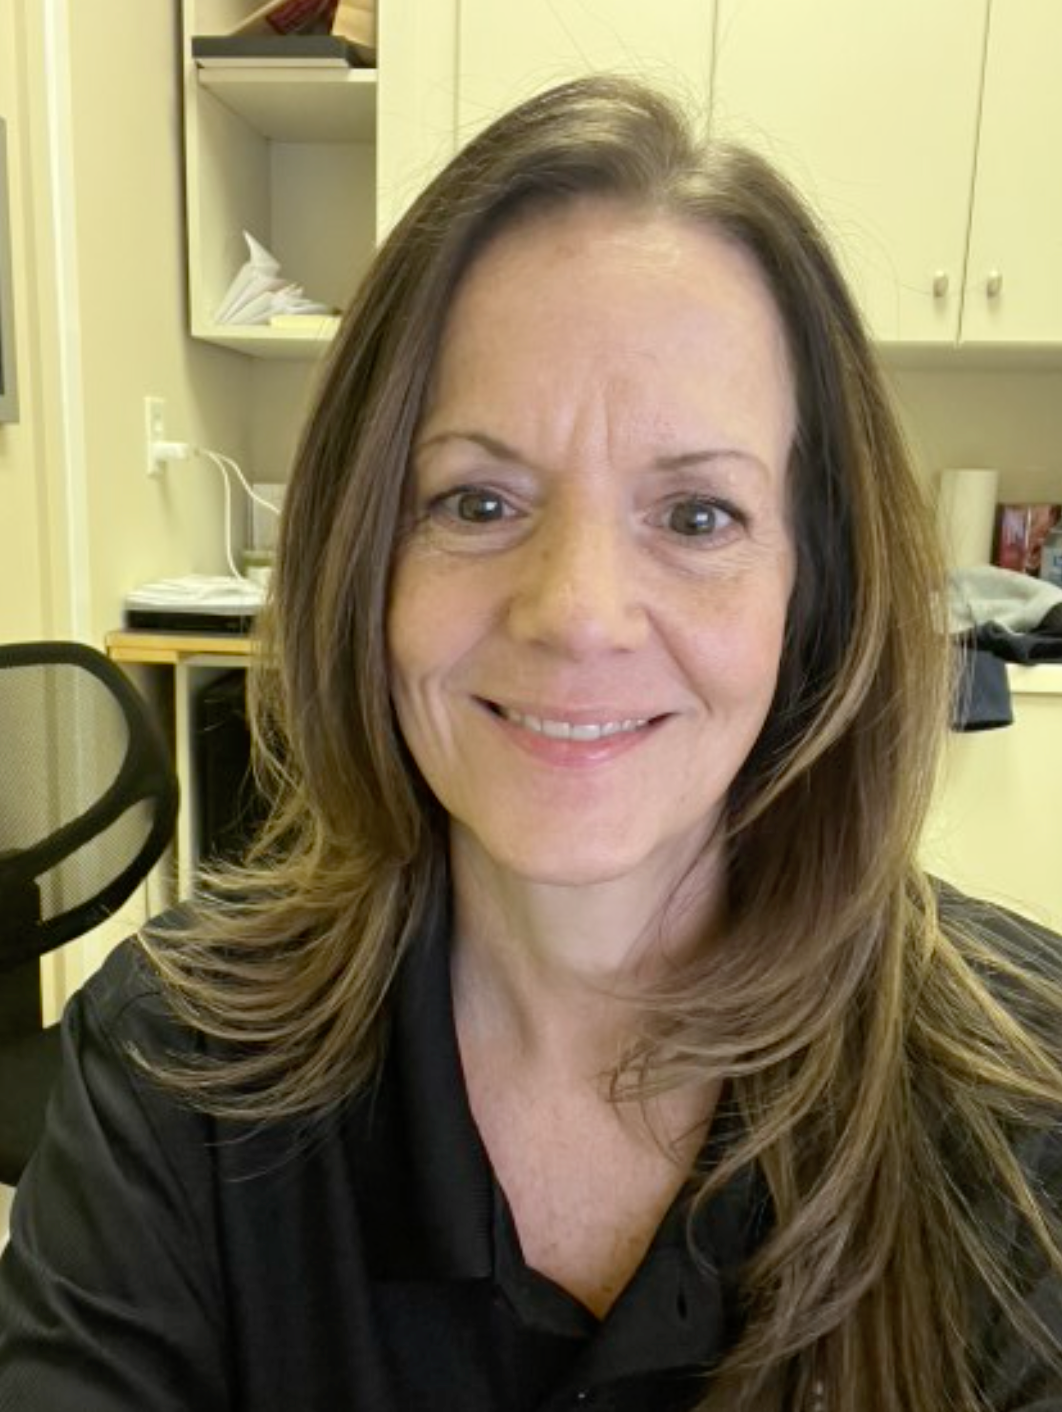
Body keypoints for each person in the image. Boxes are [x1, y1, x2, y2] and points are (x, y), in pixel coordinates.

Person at [2, 75, 1062, 1412]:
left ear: (815, 593)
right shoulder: (173, 1069)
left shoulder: (1026, 1106)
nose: (575, 614)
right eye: (478, 498)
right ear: (362, 558)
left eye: (695, 518)